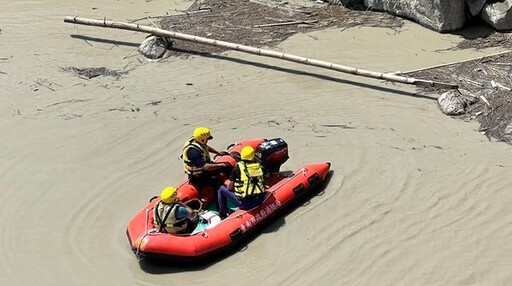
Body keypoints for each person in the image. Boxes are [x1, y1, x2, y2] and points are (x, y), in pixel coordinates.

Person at [217, 146, 266, 219]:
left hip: (246, 203)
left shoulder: (237, 168)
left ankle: (223, 215)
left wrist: (226, 181)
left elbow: (230, 188)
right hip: (260, 199)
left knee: (221, 189)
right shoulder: (258, 166)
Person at [182, 127, 230, 195]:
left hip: (204, 170)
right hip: (198, 176)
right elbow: (205, 167)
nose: (207, 141)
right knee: (217, 183)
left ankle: (231, 183)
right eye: (207, 139)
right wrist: (221, 165)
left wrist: (218, 153)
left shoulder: (197, 141)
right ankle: (219, 202)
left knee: (228, 166)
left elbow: (205, 147)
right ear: (202, 139)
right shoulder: (193, 152)